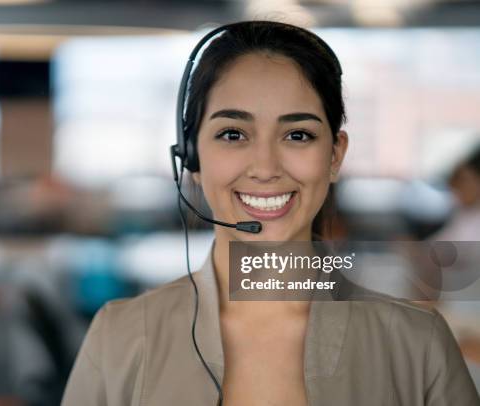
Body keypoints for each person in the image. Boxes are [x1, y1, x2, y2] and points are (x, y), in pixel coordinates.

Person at [61, 21, 479, 405]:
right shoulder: (120, 338)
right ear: (191, 156)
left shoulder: (417, 346)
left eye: (298, 134)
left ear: (334, 156)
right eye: (233, 134)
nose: (265, 167)